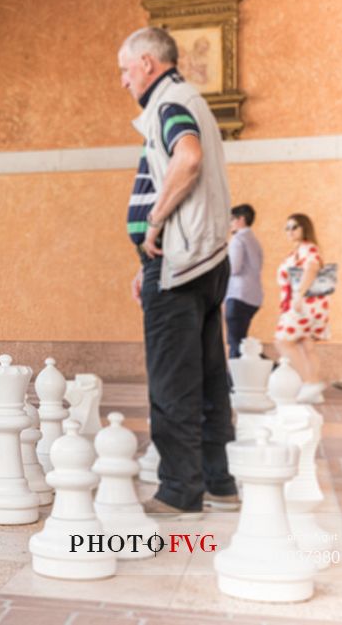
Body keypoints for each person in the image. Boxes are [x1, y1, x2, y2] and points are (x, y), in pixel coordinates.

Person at [119, 26, 236, 517]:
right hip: (205, 262)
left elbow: (187, 158)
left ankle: (179, 491)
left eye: (125, 69)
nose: (123, 81)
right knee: (209, 377)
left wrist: (157, 226)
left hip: (180, 265)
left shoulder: (168, 105)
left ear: (147, 63)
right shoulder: (190, 99)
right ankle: (218, 483)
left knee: (172, 381)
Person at [274, 213, 331, 404]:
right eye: (287, 228)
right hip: (306, 304)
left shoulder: (308, 249)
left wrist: (299, 295)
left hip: (304, 305)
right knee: (305, 345)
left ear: (304, 228)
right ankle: (313, 387)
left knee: (282, 341)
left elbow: (312, 268)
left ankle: (310, 382)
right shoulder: (297, 251)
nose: (290, 231)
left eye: (294, 227)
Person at [225, 203, 263, 358]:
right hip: (253, 296)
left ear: (241, 219)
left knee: (236, 342)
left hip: (238, 295)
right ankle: (272, 370)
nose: (229, 224)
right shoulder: (254, 240)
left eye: (231, 219)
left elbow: (233, 268)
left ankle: (233, 379)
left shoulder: (238, 239)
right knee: (242, 341)